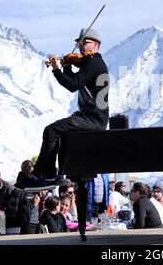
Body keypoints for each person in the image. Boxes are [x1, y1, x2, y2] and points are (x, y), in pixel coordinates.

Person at [32, 28, 109, 180]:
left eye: (84, 43)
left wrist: (56, 69)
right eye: (79, 43)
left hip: (93, 119)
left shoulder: (92, 63)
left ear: (96, 45)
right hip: (93, 118)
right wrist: (66, 65)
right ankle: (48, 173)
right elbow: (75, 81)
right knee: (56, 131)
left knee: (51, 130)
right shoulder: (95, 63)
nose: (80, 46)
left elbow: (73, 85)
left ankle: (41, 174)